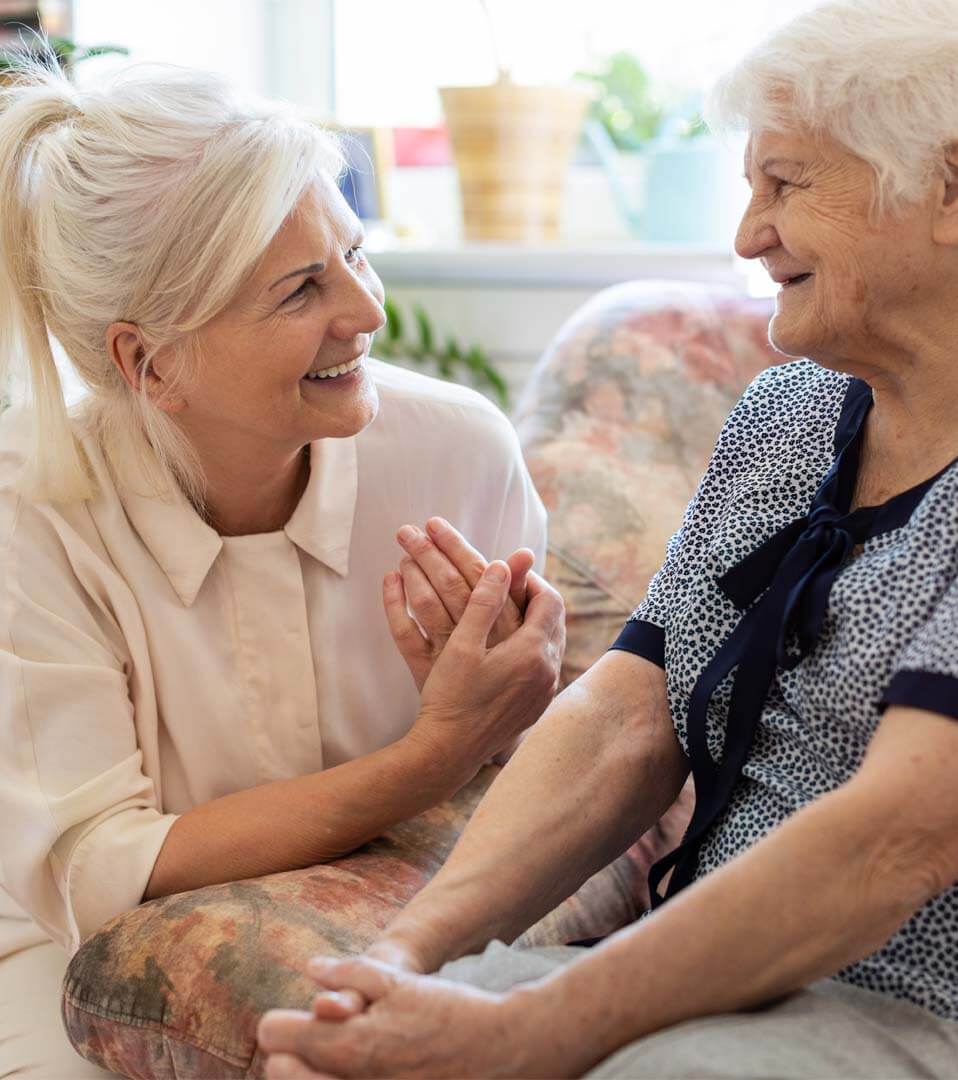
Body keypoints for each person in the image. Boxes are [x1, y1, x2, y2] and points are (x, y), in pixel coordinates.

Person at [257, 0, 958, 1076]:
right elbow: (622, 723)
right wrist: (406, 957)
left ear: (955, 187)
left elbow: (901, 835)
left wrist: (534, 1032)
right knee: (321, 1061)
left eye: (784, 183)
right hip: (713, 985)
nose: (747, 234)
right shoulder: (788, 415)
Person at [0, 59, 565, 1078]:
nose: (367, 311)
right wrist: (432, 754)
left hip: (380, 915)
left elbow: (532, 761)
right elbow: (98, 870)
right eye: (302, 288)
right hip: (65, 960)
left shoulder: (457, 451)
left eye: (354, 253)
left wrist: (518, 702)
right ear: (150, 363)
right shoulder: (27, 515)